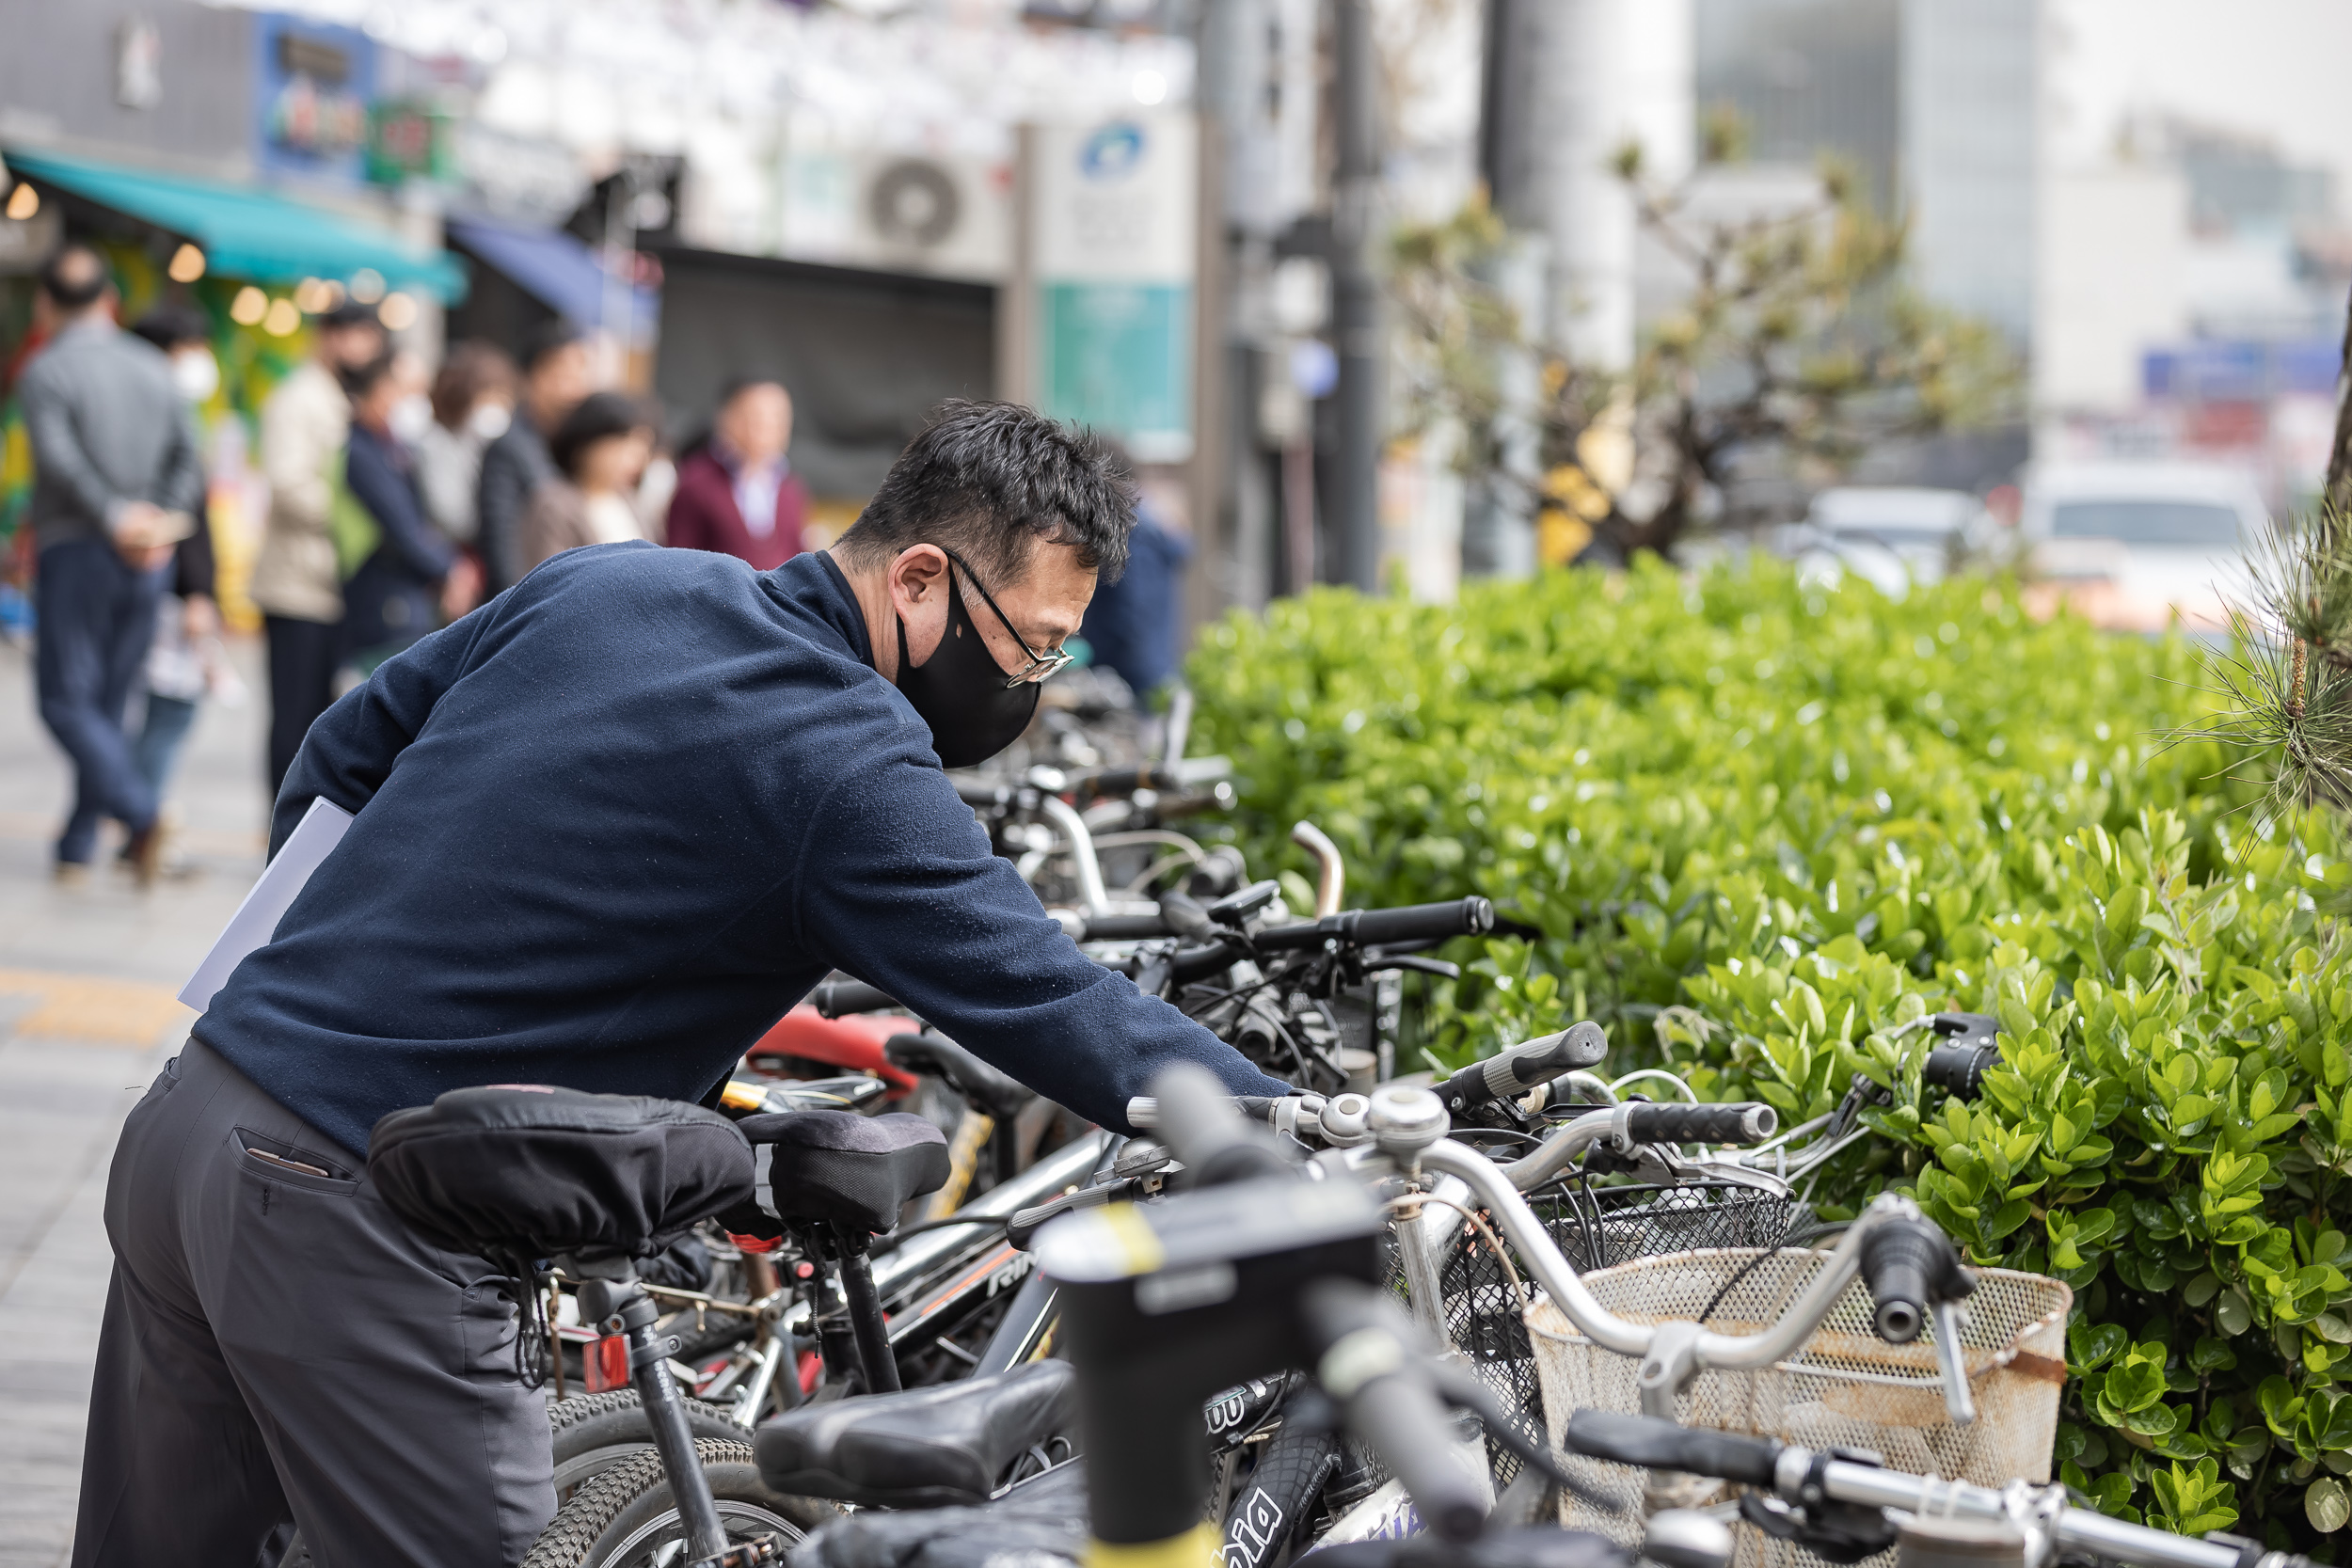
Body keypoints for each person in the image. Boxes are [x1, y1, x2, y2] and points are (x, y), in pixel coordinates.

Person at [72, 400, 1289, 1564]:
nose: (1029, 684)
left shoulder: (619, 577)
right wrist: (1288, 1123)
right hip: (360, 1212)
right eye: (1029, 642)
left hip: (193, 1119)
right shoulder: (847, 756)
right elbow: (1047, 996)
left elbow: (343, 747)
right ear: (919, 578)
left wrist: (288, 987)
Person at [15, 246, 201, 886]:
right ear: (109, 299)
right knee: (107, 702)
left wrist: (116, 515)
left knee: (66, 700)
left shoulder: (45, 369)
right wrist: (159, 520)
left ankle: (141, 813)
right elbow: (188, 457)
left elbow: (58, 459)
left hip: (78, 546)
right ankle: (77, 843)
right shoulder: (154, 366)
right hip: (147, 557)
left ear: (45, 303)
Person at [252, 297, 384, 799]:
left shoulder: (345, 396)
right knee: (294, 715)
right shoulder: (298, 397)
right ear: (329, 336)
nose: (366, 347)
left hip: (337, 584)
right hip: (297, 584)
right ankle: (278, 829)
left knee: (327, 714)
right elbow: (287, 484)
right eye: (358, 334)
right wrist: (356, 518)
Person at [122, 308, 226, 835]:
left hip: (163, 582)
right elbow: (183, 515)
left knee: (145, 708)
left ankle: (131, 819)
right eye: (188, 348)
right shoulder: (164, 414)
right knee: (168, 708)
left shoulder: (164, 411)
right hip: (162, 584)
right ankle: (140, 819)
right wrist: (197, 593)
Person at [339, 353, 482, 674]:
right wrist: (451, 568)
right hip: (383, 601)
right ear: (374, 390)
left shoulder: (392, 447)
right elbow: (403, 525)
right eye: (402, 389)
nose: (408, 401)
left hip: (404, 594)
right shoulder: (362, 451)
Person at [475, 319, 594, 595]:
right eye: (563, 375)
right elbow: (500, 545)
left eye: (580, 375)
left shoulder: (577, 445)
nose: (574, 388)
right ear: (531, 377)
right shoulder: (509, 447)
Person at [664, 373, 807, 570]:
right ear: (726, 418)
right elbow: (677, 563)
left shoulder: (791, 489)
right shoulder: (695, 483)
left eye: (778, 418)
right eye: (757, 417)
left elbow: (797, 556)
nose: (769, 427)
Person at [516, 390, 658, 572]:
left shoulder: (632, 502)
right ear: (587, 444)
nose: (634, 458)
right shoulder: (555, 505)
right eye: (622, 445)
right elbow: (550, 578)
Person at [1077, 483, 1193, 699]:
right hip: (1154, 662)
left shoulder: (1136, 540)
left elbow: (1129, 609)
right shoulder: (1157, 543)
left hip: (1125, 667)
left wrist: (1101, 655)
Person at [411, 341, 516, 548]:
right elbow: (456, 519)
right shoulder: (436, 444)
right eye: (486, 395)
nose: (495, 407)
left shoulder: (501, 444)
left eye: (501, 396)